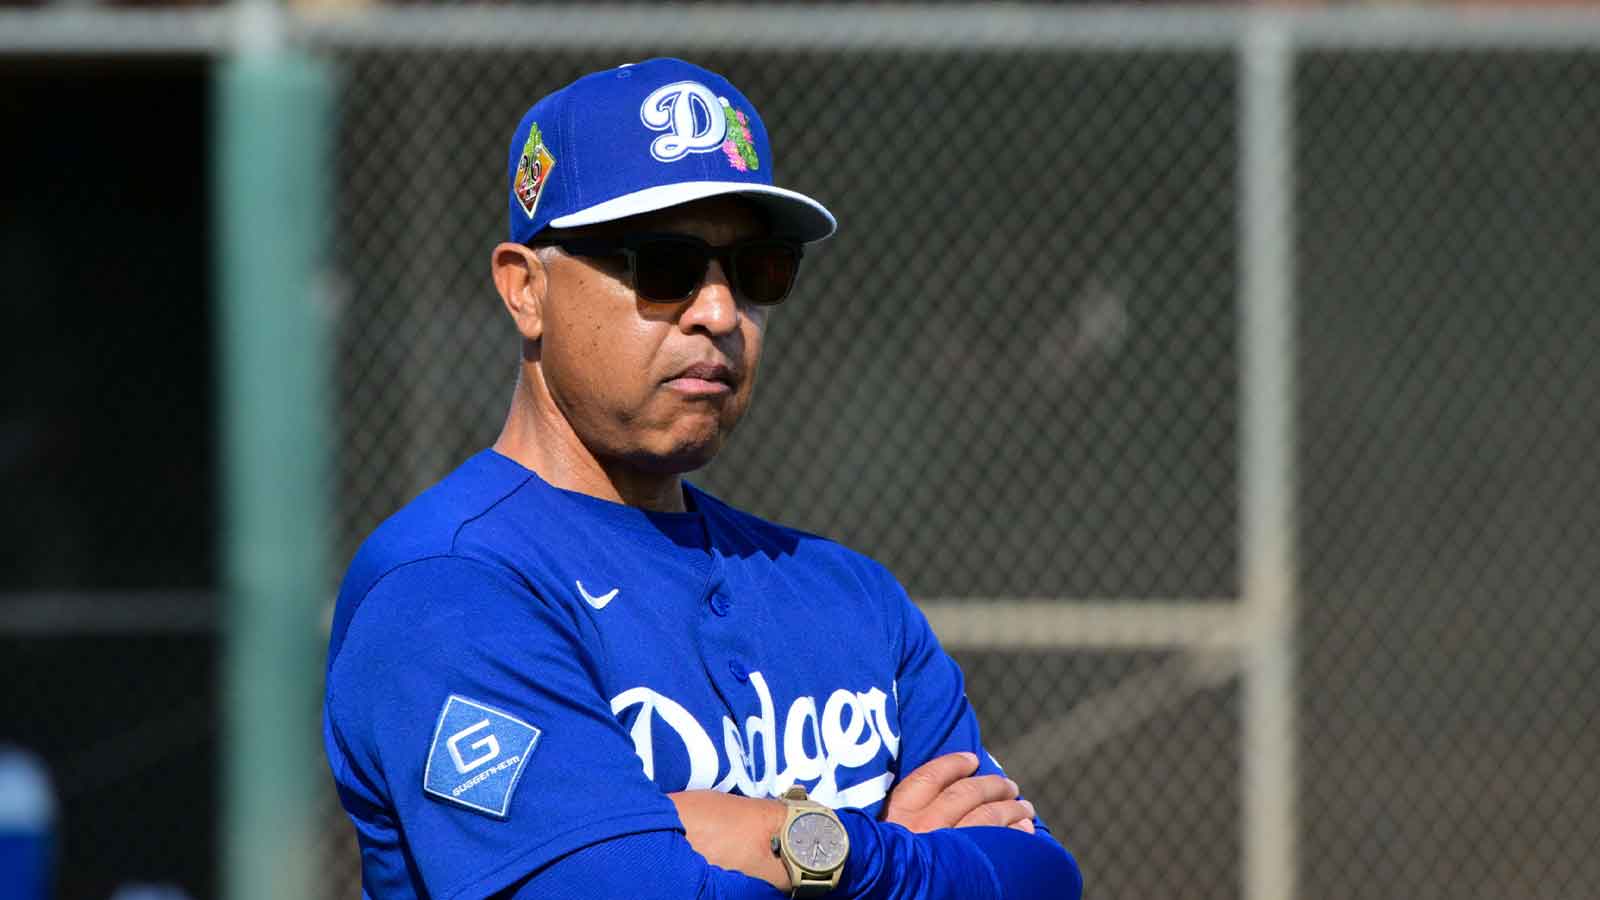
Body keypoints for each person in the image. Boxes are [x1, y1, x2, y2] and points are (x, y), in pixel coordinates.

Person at [322, 58, 1083, 899]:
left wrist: (807, 846)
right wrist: (907, 859)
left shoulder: (848, 594)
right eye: (665, 264)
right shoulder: (448, 588)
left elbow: (1041, 879)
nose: (719, 312)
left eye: (757, 268)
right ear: (525, 289)